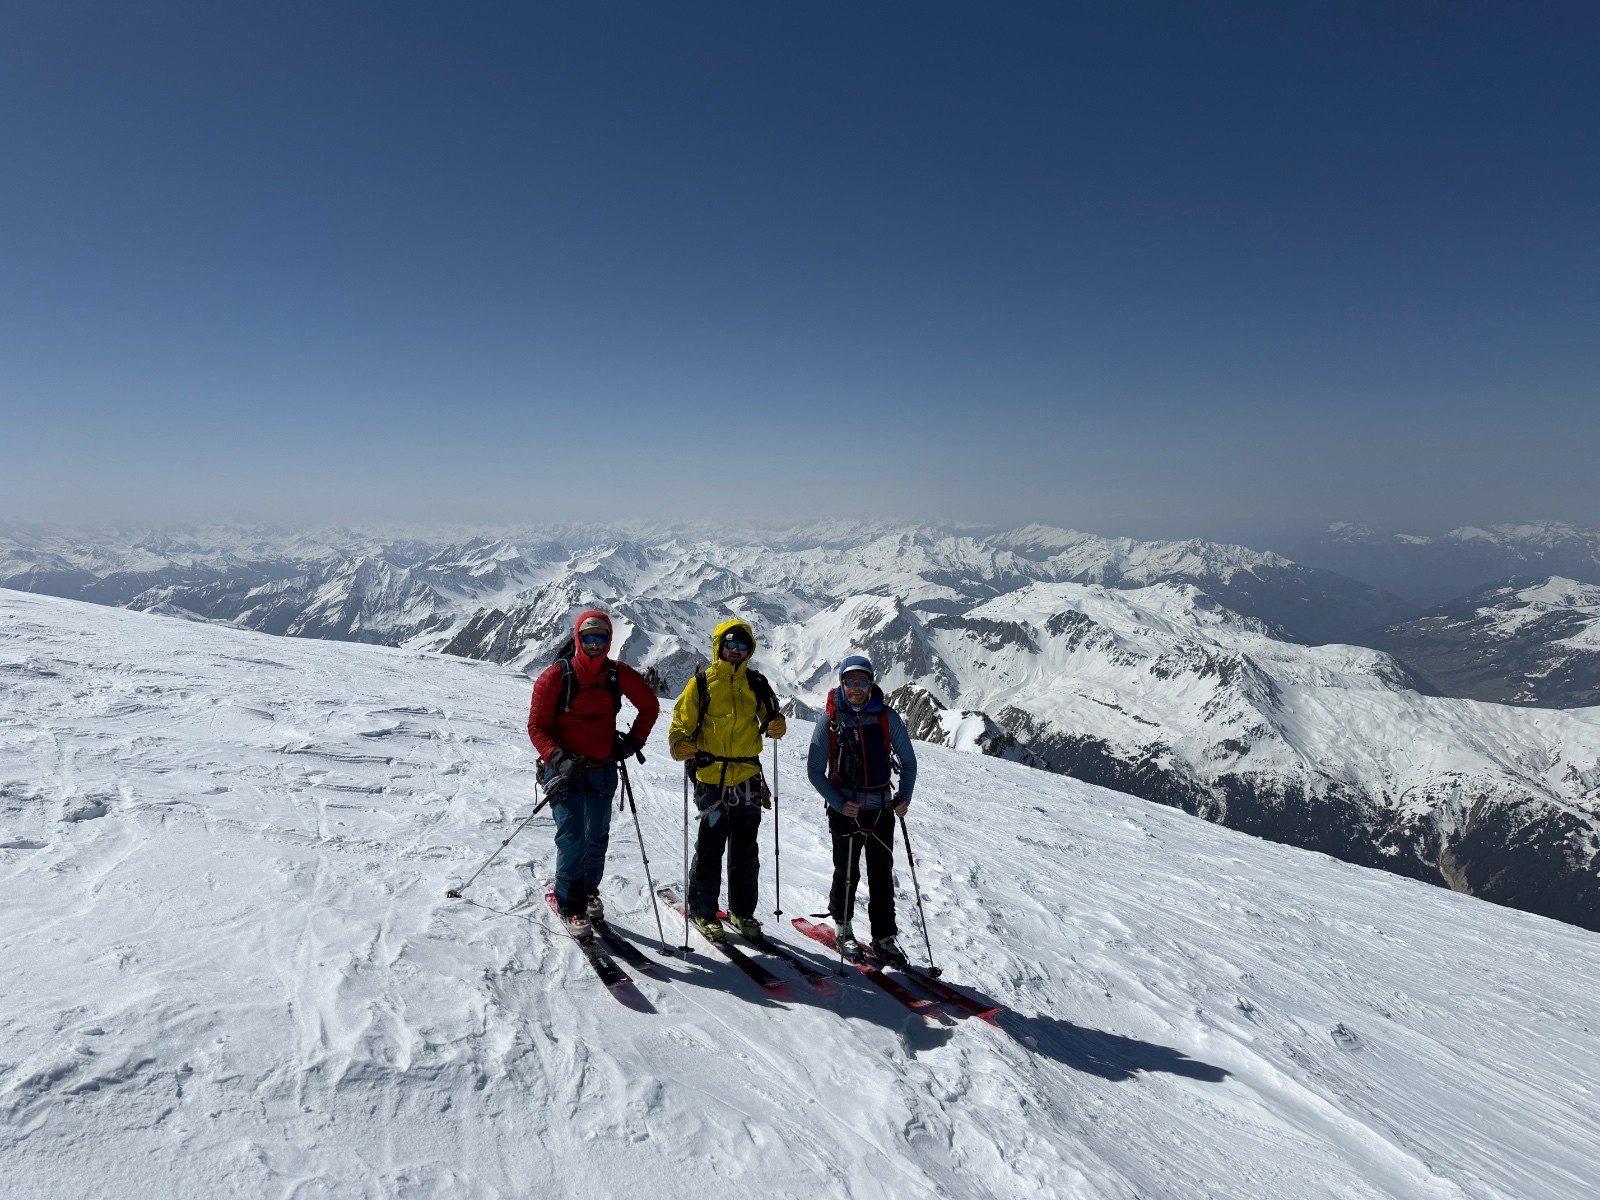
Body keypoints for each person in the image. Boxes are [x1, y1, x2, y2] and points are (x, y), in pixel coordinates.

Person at [527, 609, 660, 937]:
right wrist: (558, 757)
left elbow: (650, 705)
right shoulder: (556, 677)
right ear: (578, 638)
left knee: (597, 836)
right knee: (573, 837)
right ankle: (570, 905)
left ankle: (588, 892)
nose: (595, 643)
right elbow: (537, 726)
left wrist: (633, 741)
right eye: (588, 637)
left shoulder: (617, 674)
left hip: (602, 768)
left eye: (601, 637)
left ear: (609, 640)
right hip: (564, 772)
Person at [668, 619, 787, 942]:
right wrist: (679, 743)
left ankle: (742, 912)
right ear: (719, 647)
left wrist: (776, 724)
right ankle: (703, 911)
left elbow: (770, 716)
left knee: (745, 851)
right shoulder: (701, 684)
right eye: (730, 645)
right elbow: (680, 724)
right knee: (710, 849)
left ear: (750, 651)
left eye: (742, 646)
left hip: (747, 776)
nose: (735, 651)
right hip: (711, 778)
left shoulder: (756, 683)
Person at [807, 654, 919, 963]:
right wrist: (840, 803)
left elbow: (909, 762)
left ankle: (883, 937)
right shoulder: (830, 721)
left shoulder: (886, 718)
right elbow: (814, 771)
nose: (856, 687)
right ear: (841, 683)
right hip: (846, 812)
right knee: (846, 873)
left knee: (881, 876)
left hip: (882, 810)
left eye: (862, 681)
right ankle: (843, 928)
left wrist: (904, 797)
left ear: (871, 684)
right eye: (850, 681)